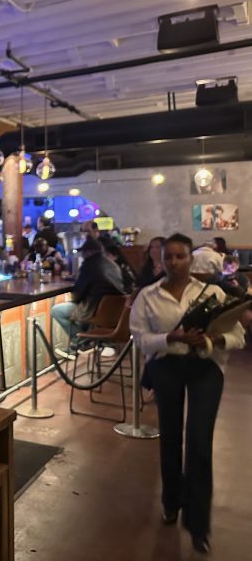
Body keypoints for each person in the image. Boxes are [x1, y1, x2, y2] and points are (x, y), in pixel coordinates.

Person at [130, 233, 244, 554]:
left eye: (181, 256)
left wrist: (210, 341)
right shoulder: (148, 296)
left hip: (205, 368)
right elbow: (139, 337)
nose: (174, 262)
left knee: (199, 441)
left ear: (191, 259)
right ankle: (171, 502)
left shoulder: (214, 292)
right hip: (167, 367)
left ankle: (198, 524)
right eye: (169, 257)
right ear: (160, 259)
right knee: (170, 437)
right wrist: (172, 336)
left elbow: (237, 335)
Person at [50, 236, 124, 351]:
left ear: (89, 252)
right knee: (80, 311)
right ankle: (89, 341)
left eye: (84, 252)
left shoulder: (89, 265)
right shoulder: (113, 265)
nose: (82, 255)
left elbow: (78, 294)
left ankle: (82, 342)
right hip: (115, 313)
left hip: (95, 310)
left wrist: (75, 298)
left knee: (57, 310)